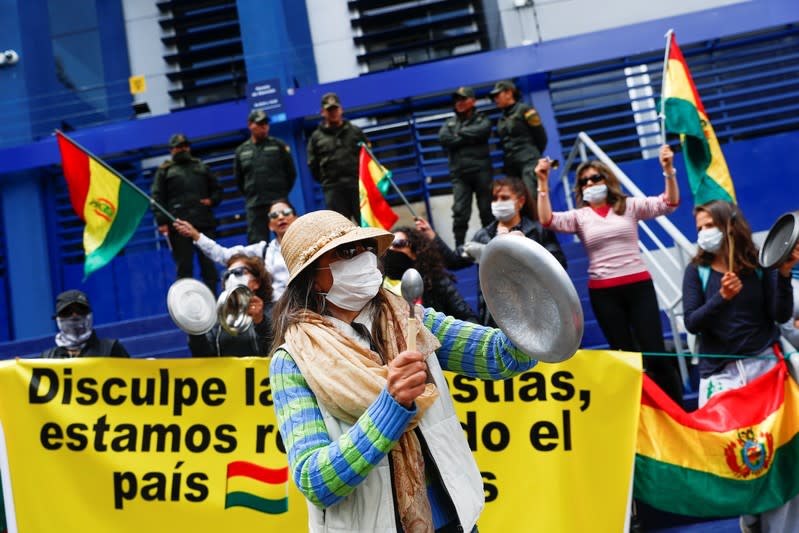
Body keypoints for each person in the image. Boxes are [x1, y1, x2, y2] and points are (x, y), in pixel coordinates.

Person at [270, 210, 540, 532]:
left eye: (366, 247)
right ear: (312, 275)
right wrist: (391, 406)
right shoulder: (293, 360)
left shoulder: (413, 319)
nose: (363, 258)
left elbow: (502, 356)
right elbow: (317, 482)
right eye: (346, 252)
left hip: (456, 520)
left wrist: (520, 278)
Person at [682, 200, 799, 532]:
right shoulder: (696, 271)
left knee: (779, 459)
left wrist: (784, 274)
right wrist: (722, 298)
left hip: (766, 375)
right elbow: (692, 322)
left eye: (709, 225)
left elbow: (778, 314)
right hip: (723, 382)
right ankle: (750, 520)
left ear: (729, 225)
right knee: (740, 461)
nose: (704, 233)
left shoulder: (757, 265)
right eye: (700, 228)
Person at [536, 144, 683, 404]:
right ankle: (643, 414)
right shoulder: (580, 216)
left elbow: (669, 203)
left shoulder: (628, 206)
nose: (590, 183)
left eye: (595, 177)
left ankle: (676, 409)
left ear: (607, 180)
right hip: (604, 293)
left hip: (639, 287)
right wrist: (543, 182)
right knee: (625, 357)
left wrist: (668, 170)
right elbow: (548, 220)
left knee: (655, 352)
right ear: (580, 188)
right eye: (584, 181)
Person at [418, 176, 566, 326]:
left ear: (520, 202)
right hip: (495, 317)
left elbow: (558, 263)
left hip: (535, 314)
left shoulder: (537, 231)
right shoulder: (483, 236)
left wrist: (518, 253)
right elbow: (453, 261)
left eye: (505, 197)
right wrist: (432, 236)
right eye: (495, 198)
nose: (499, 203)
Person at [172, 198, 296, 301]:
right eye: (274, 215)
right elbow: (224, 255)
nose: (280, 217)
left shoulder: (311, 244)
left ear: (296, 218)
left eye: (286, 212)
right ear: (270, 226)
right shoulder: (264, 250)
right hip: (281, 312)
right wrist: (195, 235)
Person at [151, 133, 222, 292]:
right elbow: (157, 197)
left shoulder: (201, 167)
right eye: (178, 147)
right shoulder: (165, 171)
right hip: (178, 227)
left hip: (203, 223)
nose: (182, 149)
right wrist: (162, 222)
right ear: (172, 150)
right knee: (184, 269)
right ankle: (188, 306)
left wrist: (212, 200)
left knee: (209, 266)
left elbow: (217, 190)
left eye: (185, 146)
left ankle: (213, 301)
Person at [383, 226, 479, 322]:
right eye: (388, 246)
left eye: (399, 244)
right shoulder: (381, 285)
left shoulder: (434, 281)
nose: (392, 249)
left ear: (415, 251)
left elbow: (468, 317)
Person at [438, 86, 494, 247]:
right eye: (457, 100)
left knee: (487, 209)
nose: (459, 103)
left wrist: (458, 134)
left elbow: (482, 131)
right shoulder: (449, 123)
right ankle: (459, 246)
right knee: (460, 211)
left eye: (463, 99)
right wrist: (469, 136)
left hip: (481, 171)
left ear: (472, 101)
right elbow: (443, 138)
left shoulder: (482, 118)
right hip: (460, 175)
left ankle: (492, 243)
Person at [188, 254, 274, 357]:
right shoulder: (219, 321)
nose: (231, 278)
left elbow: (276, 349)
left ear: (256, 282)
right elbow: (203, 356)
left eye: (238, 272)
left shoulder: (274, 311)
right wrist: (195, 330)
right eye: (227, 275)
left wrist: (261, 322)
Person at [234, 109, 297, 244]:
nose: (264, 127)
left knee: (290, 239)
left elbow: (291, 174)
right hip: (255, 205)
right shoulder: (241, 151)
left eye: (266, 123)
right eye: (260, 123)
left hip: (278, 202)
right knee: (257, 244)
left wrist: (281, 195)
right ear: (250, 125)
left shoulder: (279, 146)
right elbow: (239, 180)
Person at [306, 92, 369, 222]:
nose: (333, 113)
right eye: (329, 110)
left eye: (335, 109)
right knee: (340, 229)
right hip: (333, 190)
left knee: (367, 226)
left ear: (341, 109)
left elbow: (368, 157)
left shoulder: (355, 132)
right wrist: (327, 181)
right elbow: (313, 165)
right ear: (322, 112)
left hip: (358, 187)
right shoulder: (316, 138)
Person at [490, 79, 548, 196]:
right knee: (516, 199)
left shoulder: (526, 110)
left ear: (509, 93)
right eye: (494, 97)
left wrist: (531, 155)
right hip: (511, 167)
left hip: (529, 162)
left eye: (498, 95)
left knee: (533, 196)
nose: (495, 99)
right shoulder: (501, 119)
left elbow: (541, 137)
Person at [41, 290, 130, 358]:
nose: (74, 316)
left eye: (81, 311)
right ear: (58, 319)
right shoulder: (47, 358)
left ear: (90, 315)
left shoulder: (111, 349)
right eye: (67, 312)